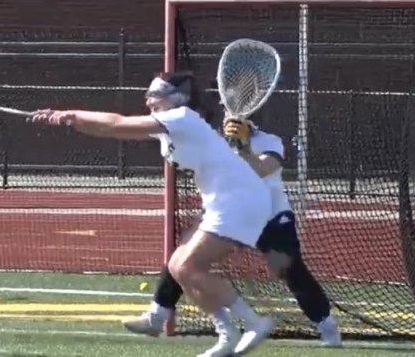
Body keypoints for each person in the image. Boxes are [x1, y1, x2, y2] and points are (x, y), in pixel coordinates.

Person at [30, 71, 275, 357]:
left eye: (154, 95)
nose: (148, 101)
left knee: (188, 266)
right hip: (223, 201)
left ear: (177, 98)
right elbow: (110, 130)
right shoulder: (168, 125)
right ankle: (227, 333)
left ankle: (253, 322)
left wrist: (71, 115)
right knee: (178, 267)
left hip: (241, 199)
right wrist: (68, 120)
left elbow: (117, 123)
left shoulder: (182, 117)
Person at [123, 102, 342, 348]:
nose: (232, 115)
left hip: (270, 217)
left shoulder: (269, 140)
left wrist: (244, 147)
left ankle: (327, 326)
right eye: (228, 109)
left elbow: (263, 169)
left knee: (288, 268)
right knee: (186, 254)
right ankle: (157, 315)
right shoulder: (214, 140)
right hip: (231, 215)